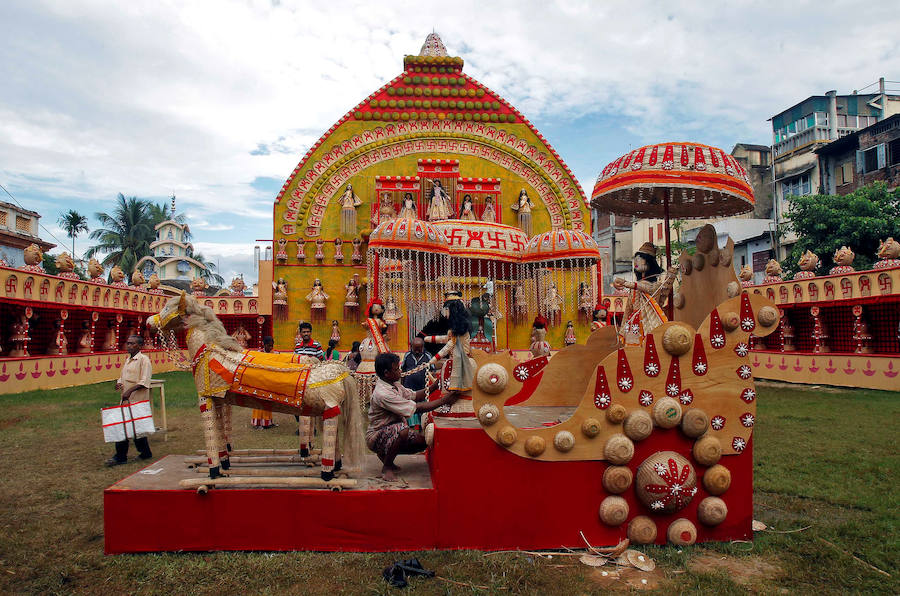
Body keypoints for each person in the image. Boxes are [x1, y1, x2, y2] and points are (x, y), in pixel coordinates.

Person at [367, 352, 458, 481]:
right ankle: (386, 467)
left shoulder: (394, 385)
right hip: (376, 436)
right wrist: (444, 401)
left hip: (389, 431)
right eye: (396, 369)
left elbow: (415, 395)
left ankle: (385, 454)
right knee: (402, 430)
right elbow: (416, 407)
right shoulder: (383, 393)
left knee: (422, 442)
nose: (400, 371)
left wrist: (435, 385)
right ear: (387, 373)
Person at [613, 242, 677, 346]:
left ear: (649, 262)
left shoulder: (655, 286)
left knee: (649, 350)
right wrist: (622, 328)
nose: (636, 261)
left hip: (650, 323)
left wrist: (625, 283)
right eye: (635, 258)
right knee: (632, 352)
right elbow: (628, 309)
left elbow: (647, 288)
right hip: (633, 325)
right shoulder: (634, 287)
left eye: (640, 258)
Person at [106, 335, 153, 466]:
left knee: (134, 428)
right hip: (126, 401)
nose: (129, 346)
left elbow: (144, 382)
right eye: (128, 343)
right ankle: (143, 453)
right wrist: (119, 384)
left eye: (132, 344)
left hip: (138, 400)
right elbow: (123, 376)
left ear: (139, 346)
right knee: (129, 428)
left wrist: (130, 390)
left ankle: (121, 457)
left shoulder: (144, 360)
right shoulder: (128, 360)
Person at [401, 337, 433, 429]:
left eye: (419, 349)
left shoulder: (428, 356)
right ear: (411, 347)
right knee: (411, 408)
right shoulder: (407, 355)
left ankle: (421, 428)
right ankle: (410, 428)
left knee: (423, 409)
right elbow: (403, 371)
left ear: (423, 347)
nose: (417, 351)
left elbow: (433, 370)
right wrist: (402, 387)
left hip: (423, 388)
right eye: (415, 349)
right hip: (409, 387)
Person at [250, 336, 276, 429]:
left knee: (268, 401)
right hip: (259, 381)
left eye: (272, 346)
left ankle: (267, 422)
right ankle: (257, 423)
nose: (270, 348)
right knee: (258, 402)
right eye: (269, 346)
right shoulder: (258, 354)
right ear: (263, 345)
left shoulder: (274, 354)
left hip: (268, 381)